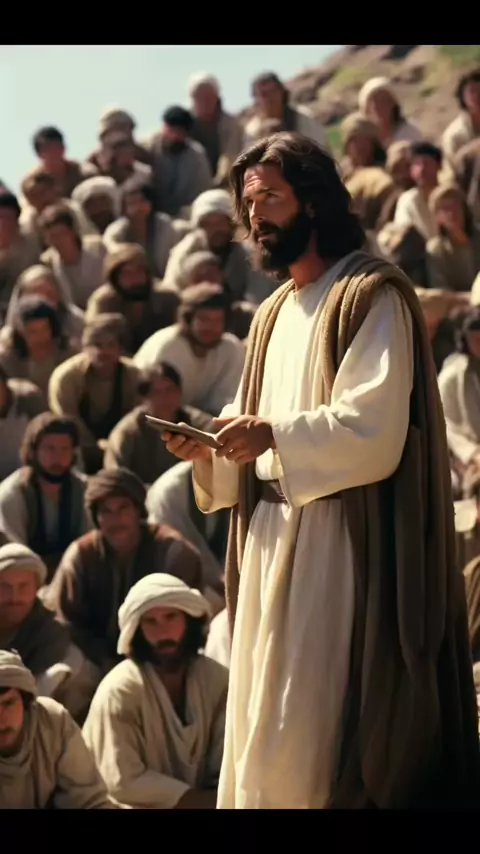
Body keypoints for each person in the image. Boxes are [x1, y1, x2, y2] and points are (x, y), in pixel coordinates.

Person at [163, 131, 480, 809]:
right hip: (268, 541)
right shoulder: (272, 313)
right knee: (262, 725)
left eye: (270, 199)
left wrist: (273, 435)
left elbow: (374, 430)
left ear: (313, 202)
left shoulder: (370, 295)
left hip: (338, 547)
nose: (256, 217)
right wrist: (213, 451)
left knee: (305, 732)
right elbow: (251, 423)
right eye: (249, 205)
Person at [83, 573, 228, 809]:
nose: (163, 632)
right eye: (151, 621)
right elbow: (122, 782)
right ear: (137, 630)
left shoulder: (217, 680)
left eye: (171, 617)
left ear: (188, 619)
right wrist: (199, 802)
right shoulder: (120, 690)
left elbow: (227, 761)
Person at [0, 650, 120, 808]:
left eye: (8, 704)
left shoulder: (52, 722)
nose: (1, 718)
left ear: (25, 702)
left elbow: (89, 800)